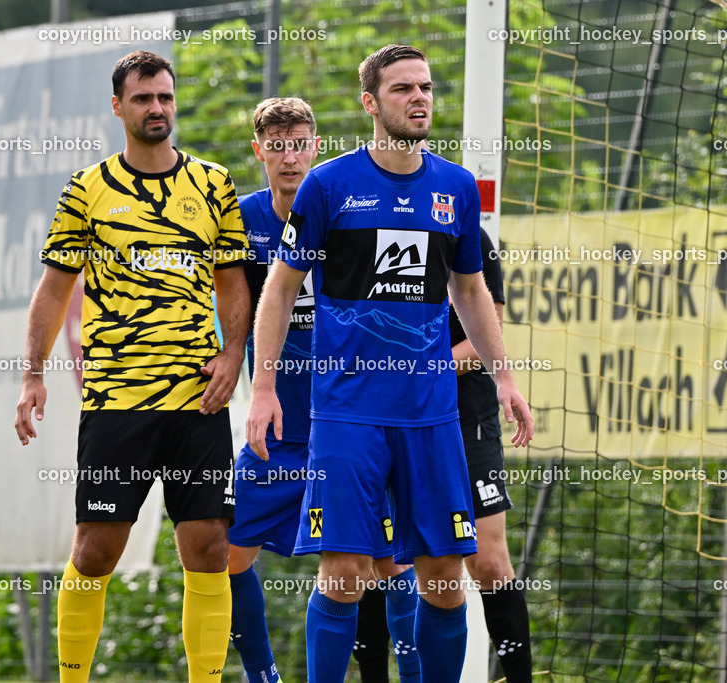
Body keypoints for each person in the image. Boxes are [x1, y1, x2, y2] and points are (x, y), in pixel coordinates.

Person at [245, 44, 534, 683]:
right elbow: (281, 287)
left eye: (426, 87)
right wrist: (264, 387)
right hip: (347, 415)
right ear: (372, 103)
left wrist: (504, 376)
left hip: (430, 419)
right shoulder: (329, 186)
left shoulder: (455, 188)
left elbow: (471, 290)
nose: (420, 98)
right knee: (344, 575)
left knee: (444, 581)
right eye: (403, 89)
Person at [13, 50, 250, 683]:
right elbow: (54, 289)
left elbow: (233, 283)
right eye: (143, 99)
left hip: (197, 400)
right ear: (117, 106)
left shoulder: (214, 183)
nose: (157, 109)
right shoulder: (87, 189)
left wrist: (232, 355)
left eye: (166, 97)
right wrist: (33, 373)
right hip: (117, 399)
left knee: (210, 549)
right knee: (95, 551)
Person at [229, 97, 422, 683]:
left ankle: (413, 675)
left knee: (386, 565)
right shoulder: (239, 220)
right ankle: (263, 674)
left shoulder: (353, 207)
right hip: (281, 429)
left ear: (317, 145)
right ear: (259, 150)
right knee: (221, 548)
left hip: (352, 426)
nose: (290, 158)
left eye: (300, 144)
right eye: (277, 145)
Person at [353, 230, 533, 683]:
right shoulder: (360, 220)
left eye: (417, 150)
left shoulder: (464, 228)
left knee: (488, 560)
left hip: (463, 416)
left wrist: (418, 369)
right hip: (382, 416)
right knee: (376, 563)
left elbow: (484, 340)